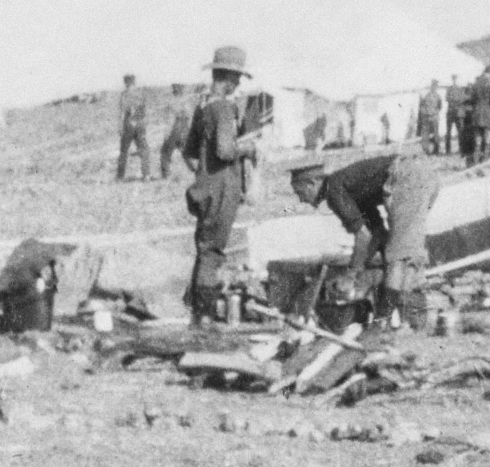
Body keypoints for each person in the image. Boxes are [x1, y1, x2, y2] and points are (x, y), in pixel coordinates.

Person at [287, 150, 440, 328]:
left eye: (300, 192)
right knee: (401, 251)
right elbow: (377, 235)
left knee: (399, 255)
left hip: (408, 176)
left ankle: (383, 324)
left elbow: (363, 238)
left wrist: (351, 275)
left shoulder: (334, 191)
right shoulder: (348, 187)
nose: (301, 200)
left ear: (312, 184)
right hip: (419, 173)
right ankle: (402, 318)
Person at [180, 46, 262, 324]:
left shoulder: (203, 106)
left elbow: (189, 151)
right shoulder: (224, 108)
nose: (238, 84)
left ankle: (197, 314)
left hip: (205, 188)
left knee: (205, 251)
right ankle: (203, 318)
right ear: (227, 76)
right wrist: (247, 148)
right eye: (237, 78)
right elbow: (226, 151)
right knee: (213, 253)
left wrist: (204, 174)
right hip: (222, 191)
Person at [115, 73, 152, 180]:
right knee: (144, 149)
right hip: (140, 123)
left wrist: (120, 126)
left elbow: (122, 112)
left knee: (124, 150)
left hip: (128, 124)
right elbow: (144, 111)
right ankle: (147, 175)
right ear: (134, 82)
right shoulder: (140, 93)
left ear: (126, 82)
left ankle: (120, 177)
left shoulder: (124, 94)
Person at [157, 84, 195, 180]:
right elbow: (190, 117)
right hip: (185, 128)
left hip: (175, 128)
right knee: (185, 151)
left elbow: (171, 118)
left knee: (165, 152)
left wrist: (167, 133)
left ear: (174, 90)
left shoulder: (172, 102)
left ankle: (165, 175)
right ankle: (194, 170)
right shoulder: (186, 102)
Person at [415, 81, 444, 156]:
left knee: (436, 134)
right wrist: (425, 113)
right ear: (431, 86)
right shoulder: (426, 95)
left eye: (435, 86)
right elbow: (422, 106)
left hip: (434, 117)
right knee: (425, 135)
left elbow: (440, 107)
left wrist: (434, 112)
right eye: (433, 86)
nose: (434, 88)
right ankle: (426, 151)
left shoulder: (438, 96)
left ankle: (436, 150)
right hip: (426, 118)